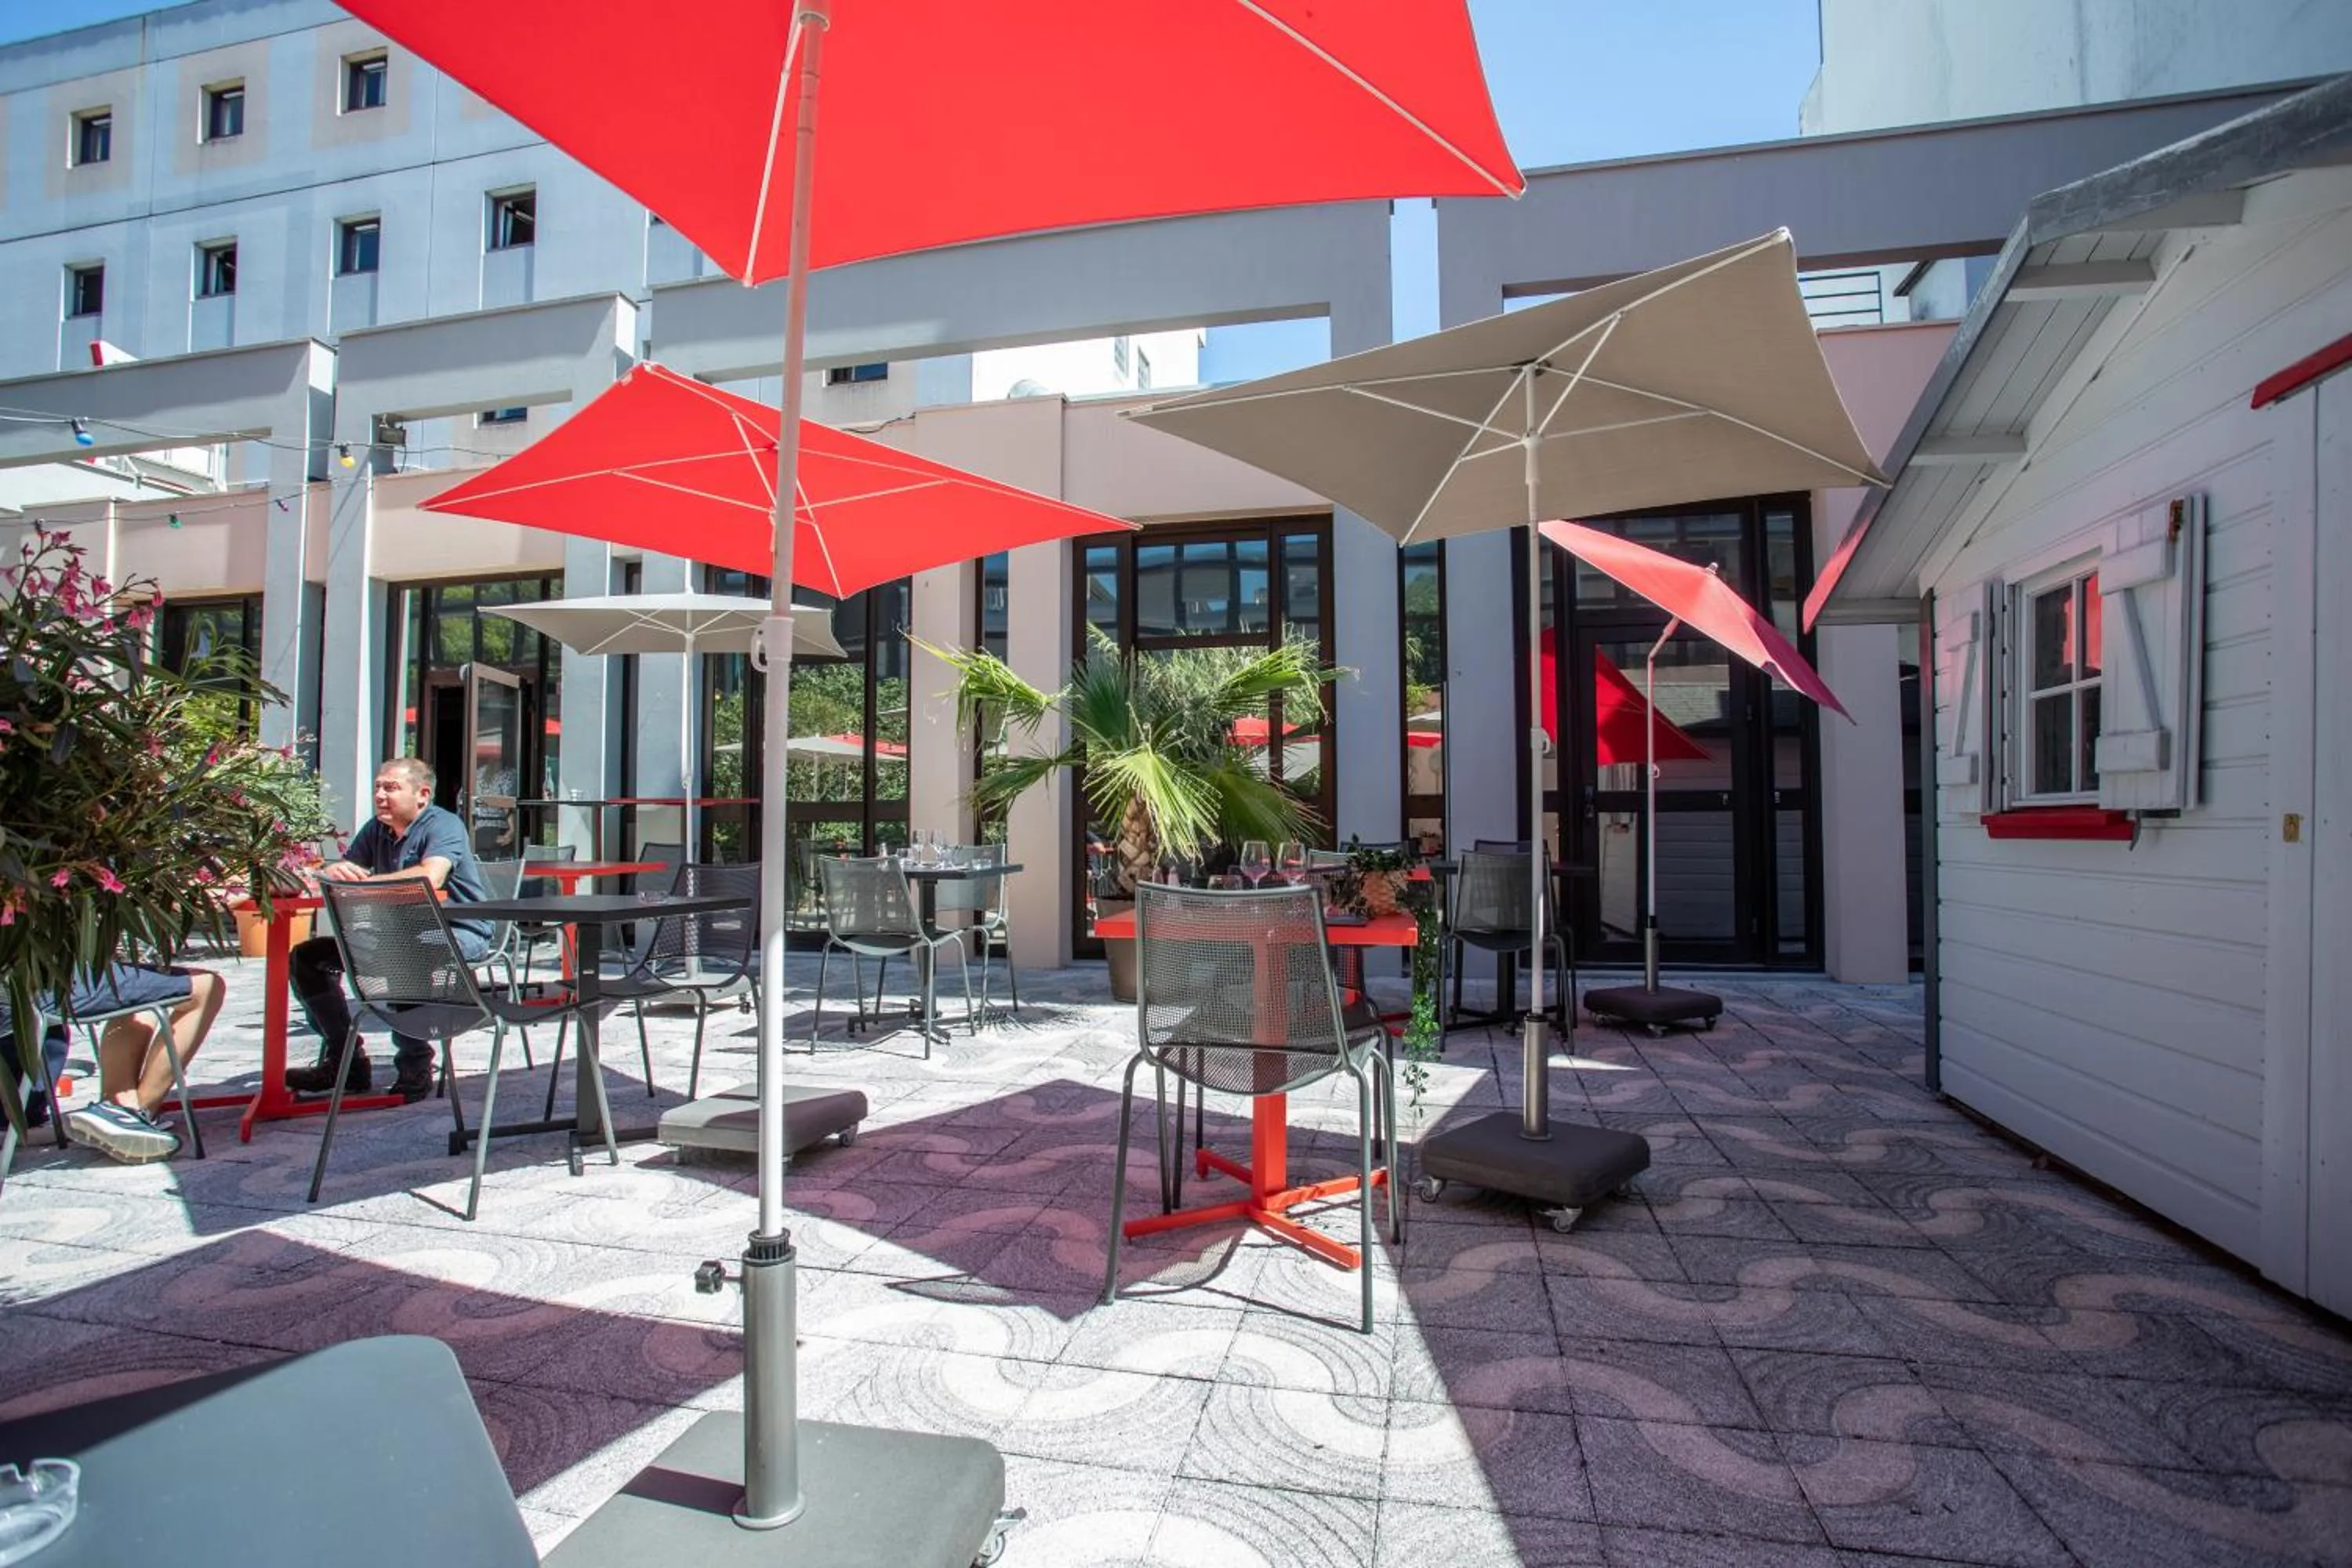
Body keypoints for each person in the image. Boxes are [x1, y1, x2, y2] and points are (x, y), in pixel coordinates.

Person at [287, 756, 492, 1103]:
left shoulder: (443, 826)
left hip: (459, 931)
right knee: (307, 958)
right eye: (378, 787)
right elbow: (347, 869)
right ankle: (345, 1062)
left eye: (391, 788)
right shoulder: (376, 829)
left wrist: (361, 884)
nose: (380, 795)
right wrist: (333, 872)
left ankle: (415, 1065)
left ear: (422, 794)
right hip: (397, 931)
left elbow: (431, 877)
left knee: (402, 952)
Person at [2, 962, 227, 1163]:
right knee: (207, 986)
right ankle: (131, 1113)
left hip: (19, 983)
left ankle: (115, 1110)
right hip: (37, 983)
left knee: (138, 991)